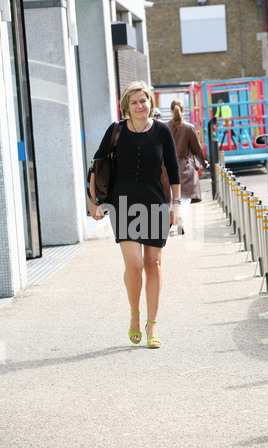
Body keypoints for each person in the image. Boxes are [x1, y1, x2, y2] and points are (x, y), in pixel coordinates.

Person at [89, 81, 181, 348]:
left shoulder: (162, 131)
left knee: (153, 264)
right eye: (135, 102)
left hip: (154, 203)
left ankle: (152, 325)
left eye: (144, 100)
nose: (141, 106)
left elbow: (173, 167)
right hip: (123, 204)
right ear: (126, 107)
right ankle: (134, 316)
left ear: (151, 102)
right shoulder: (116, 130)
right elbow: (97, 162)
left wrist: (176, 202)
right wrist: (93, 202)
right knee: (135, 265)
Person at [167, 99, 208, 235]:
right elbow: (197, 150)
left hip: (167, 169)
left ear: (171, 111)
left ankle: (172, 222)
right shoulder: (189, 127)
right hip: (185, 169)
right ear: (183, 110)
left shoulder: (165, 128)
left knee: (172, 198)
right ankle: (180, 222)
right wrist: (203, 163)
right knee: (184, 199)